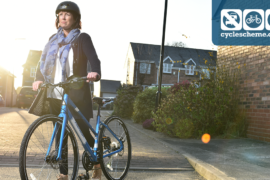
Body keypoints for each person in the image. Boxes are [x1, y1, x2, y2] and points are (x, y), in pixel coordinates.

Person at [32, 1, 102, 180]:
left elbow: (94, 59)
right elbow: (43, 62)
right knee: (60, 133)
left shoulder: (82, 38)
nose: (63, 17)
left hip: (76, 91)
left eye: (67, 14)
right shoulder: (52, 40)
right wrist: (39, 78)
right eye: (60, 14)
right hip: (56, 92)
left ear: (75, 18)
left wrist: (95, 72)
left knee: (83, 131)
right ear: (57, 18)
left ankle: (97, 165)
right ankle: (63, 174)